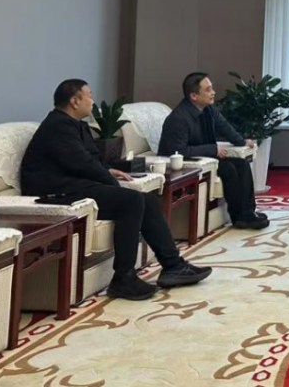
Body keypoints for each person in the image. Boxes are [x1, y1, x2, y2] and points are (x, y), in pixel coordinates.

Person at [20, 80, 212, 301]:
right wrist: (113, 184)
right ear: (74, 101)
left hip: (74, 185)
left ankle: (173, 265)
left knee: (147, 200)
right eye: (89, 96)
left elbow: (91, 160)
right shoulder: (58, 126)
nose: (93, 101)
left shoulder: (76, 125)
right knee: (131, 201)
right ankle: (123, 278)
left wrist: (108, 171)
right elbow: (81, 164)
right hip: (54, 193)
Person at [158, 73, 269, 230]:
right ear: (193, 96)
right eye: (208, 89)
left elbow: (224, 126)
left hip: (206, 158)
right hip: (186, 164)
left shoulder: (208, 109)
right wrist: (212, 149)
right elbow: (178, 151)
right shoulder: (178, 118)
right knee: (229, 168)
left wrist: (241, 141)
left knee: (242, 164)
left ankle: (248, 213)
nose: (213, 92)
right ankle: (238, 216)